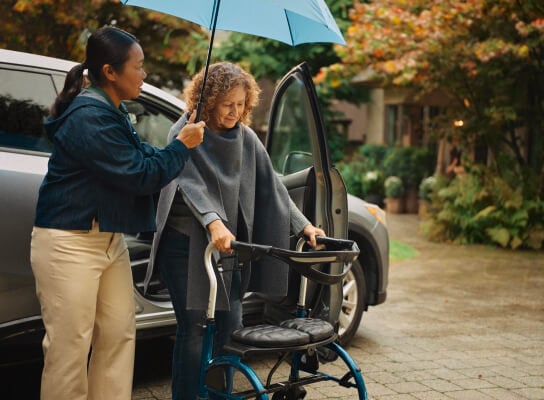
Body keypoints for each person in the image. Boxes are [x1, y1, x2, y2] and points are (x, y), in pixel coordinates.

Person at [29, 26, 205, 400]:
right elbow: (139, 174)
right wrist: (182, 148)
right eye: (138, 67)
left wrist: (176, 145)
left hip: (107, 240)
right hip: (69, 243)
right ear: (111, 71)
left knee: (118, 336)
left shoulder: (115, 111)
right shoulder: (89, 115)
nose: (144, 75)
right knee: (69, 350)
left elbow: (142, 157)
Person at [147, 62, 325, 400]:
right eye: (228, 103)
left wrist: (304, 227)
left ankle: (219, 396)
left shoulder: (245, 138)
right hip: (186, 246)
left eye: (242, 104)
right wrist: (214, 222)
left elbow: (273, 186)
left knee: (231, 329)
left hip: (226, 248)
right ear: (208, 99)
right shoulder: (185, 130)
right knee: (197, 329)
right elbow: (189, 183)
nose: (235, 111)